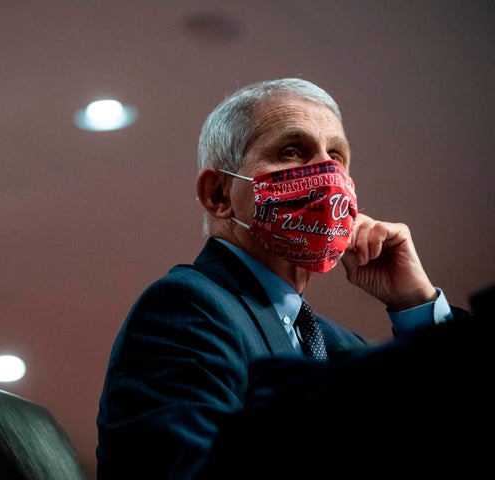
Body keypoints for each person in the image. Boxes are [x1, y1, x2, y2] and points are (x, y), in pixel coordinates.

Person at [95, 78, 489, 479]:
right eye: (292, 151)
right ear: (219, 194)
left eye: (336, 157)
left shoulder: (342, 345)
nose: (326, 173)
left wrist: (416, 304)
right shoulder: (185, 307)